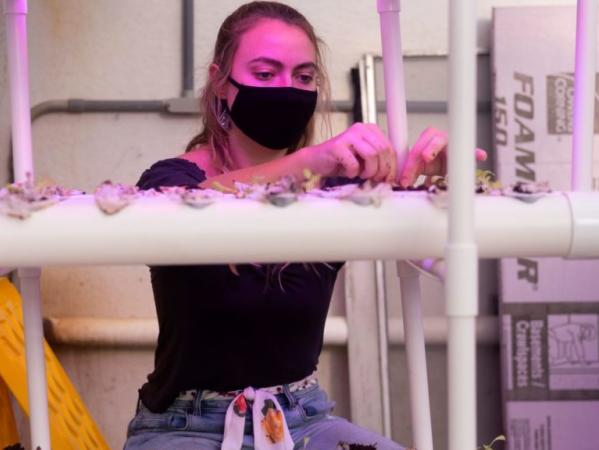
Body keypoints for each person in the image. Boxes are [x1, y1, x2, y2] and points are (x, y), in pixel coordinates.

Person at [124, 2, 485, 449]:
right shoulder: (170, 180)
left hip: (303, 419)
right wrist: (309, 162)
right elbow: (180, 211)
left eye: (303, 77)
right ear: (220, 80)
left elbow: (418, 199)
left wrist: (442, 171)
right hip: (187, 426)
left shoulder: (336, 186)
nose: (287, 89)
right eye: (264, 73)